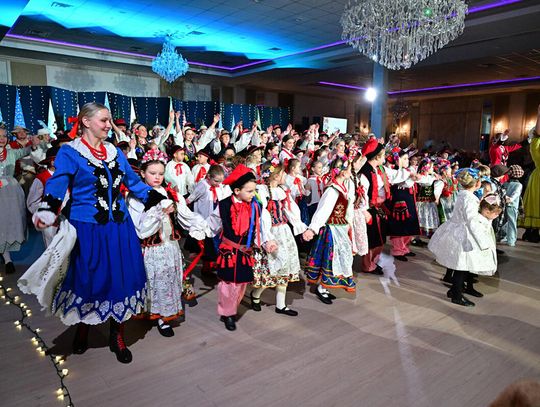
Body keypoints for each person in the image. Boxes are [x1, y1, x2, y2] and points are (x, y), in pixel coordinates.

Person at [32, 102, 166, 363]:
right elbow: (58, 183)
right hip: (88, 228)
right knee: (90, 279)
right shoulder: (70, 152)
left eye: (109, 120)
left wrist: (158, 199)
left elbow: (133, 182)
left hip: (120, 228)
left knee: (121, 279)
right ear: (86, 121)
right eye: (104, 120)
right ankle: (84, 326)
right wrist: (47, 209)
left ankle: (117, 335)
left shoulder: (114, 151)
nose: (108, 125)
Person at [127, 149, 206, 337]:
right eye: (152, 173)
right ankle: (151, 311)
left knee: (169, 281)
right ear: (142, 173)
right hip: (151, 249)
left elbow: (185, 215)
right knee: (153, 282)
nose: (157, 177)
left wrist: (202, 225)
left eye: (161, 174)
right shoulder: (136, 196)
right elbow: (140, 229)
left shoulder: (169, 192)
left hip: (170, 246)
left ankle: (164, 317)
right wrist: (159, 211)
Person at [206, 164, 277, 331]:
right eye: (250, 191)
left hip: (245, 252)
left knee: (241, 284)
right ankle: (228, 313)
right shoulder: (224, 205)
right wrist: (200, 232)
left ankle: (232, 307)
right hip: (228, 252)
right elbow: (212, 225)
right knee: (228, 284)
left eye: (254, 190)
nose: (253, 194)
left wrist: (267, 242)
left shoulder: (256, 206)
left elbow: (261, 229)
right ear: (237, 191)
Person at [428, 169, 500, 307]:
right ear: (477, 183)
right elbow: (471, 221)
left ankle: (458, 289)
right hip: (464, 235)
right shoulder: (469, 199)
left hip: (458, 230)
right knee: (462, 266)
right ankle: (456, 294)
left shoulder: (464, 195)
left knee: (464, 265)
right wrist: (482, 240)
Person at [251, 162, 307, 316]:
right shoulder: (261, 191)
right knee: (272, 268)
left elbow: (290, 211)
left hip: (284, 231)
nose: (285, 175)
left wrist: (300, 227)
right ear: (275, 176)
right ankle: (256, 294)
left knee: (285, 266)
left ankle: (281, 305)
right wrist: (265, 238)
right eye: (282, 173)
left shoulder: (282, 191)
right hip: (270, 233)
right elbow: (261, 216)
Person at [303, 158, 355, 303]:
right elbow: (323, 210)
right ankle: (322, 288)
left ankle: (324, 287)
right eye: (349, 170)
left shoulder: (343, 186)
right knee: (329, 258)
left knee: (338, 257)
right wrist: (313, 229)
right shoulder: (332, 190)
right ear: (342, 172)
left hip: (340, 228)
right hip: (331, 229)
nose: (350, 173)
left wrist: (349, 223)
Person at [0, 124, 41, 274]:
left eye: (4, 136)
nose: (2, 139)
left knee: (8, 223)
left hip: (11, 192)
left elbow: (25, 151)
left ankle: (7, 258)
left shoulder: (11, 152)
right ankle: (7, 259)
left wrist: (34, 145)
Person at [521, 107, 540, 243]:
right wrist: (539, 115)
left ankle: (531, 232)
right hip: (538, 179)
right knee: (536, 205)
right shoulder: (535, 143)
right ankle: (532, 231)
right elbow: (538, 133)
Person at [503, 165, 524, 247]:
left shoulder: (506, 183)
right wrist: (511, 199)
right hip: (512, 205)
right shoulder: (518, 185)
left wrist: (508, 199)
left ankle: (504, 237)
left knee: (504, 222)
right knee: (512, 222)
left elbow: (513, 193)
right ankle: (511, 240)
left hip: (505, 204)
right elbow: (516, 193)